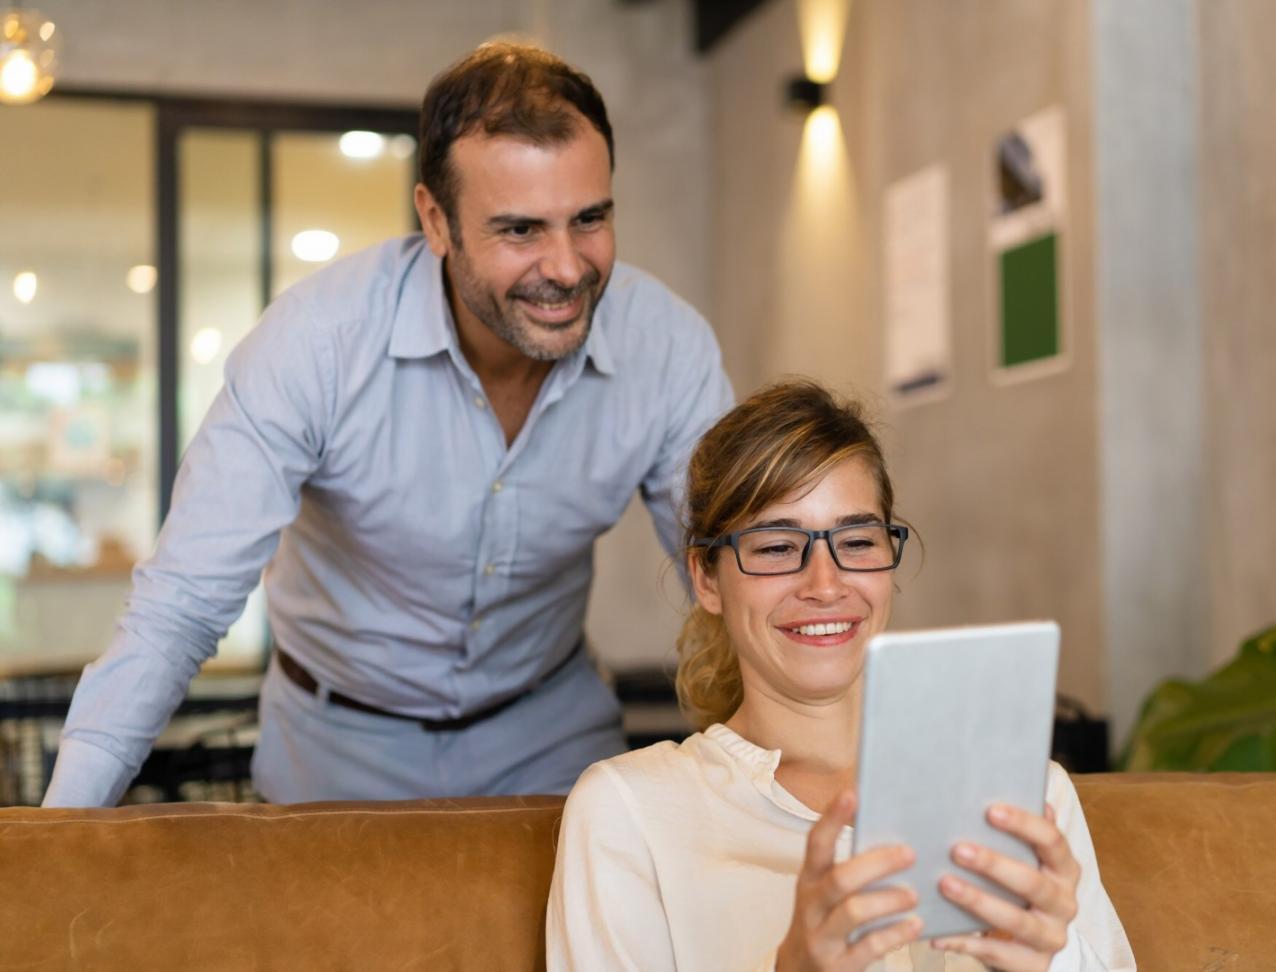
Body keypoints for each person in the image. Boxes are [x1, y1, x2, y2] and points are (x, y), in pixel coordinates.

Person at [43, 42, 733, 807]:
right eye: (520, 230)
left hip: (548, 734)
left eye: (590, 219)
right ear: (436, 221)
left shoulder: (666, 345)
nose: (567, 268)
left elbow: (737, 579)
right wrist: (60, 836)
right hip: (334, 746)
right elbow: (181, 606)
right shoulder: (316, 344)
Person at [547, 380, 1135, 971]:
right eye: (777, 547)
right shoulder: (629, 811)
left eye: (855, 541)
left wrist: (1048, 962)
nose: (825, 585)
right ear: (706, 578)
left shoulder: (1026, 796)